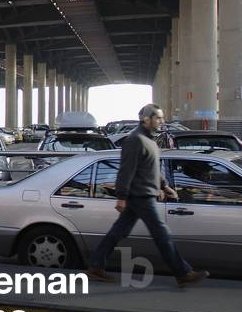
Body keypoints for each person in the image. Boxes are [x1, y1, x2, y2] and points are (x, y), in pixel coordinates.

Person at [87, 104, 209, 287]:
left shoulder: (149, 140)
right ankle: (182, 273)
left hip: (143, 195)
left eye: (161, 117)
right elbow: (126, 170)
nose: (162, 121)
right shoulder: (135, 140)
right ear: (146, 119)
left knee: (118, 232)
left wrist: (164, 186)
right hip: (141, 196)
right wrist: (121, 196)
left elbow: (150, 168)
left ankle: (96, 266)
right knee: (162, 234)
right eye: (158, 118)